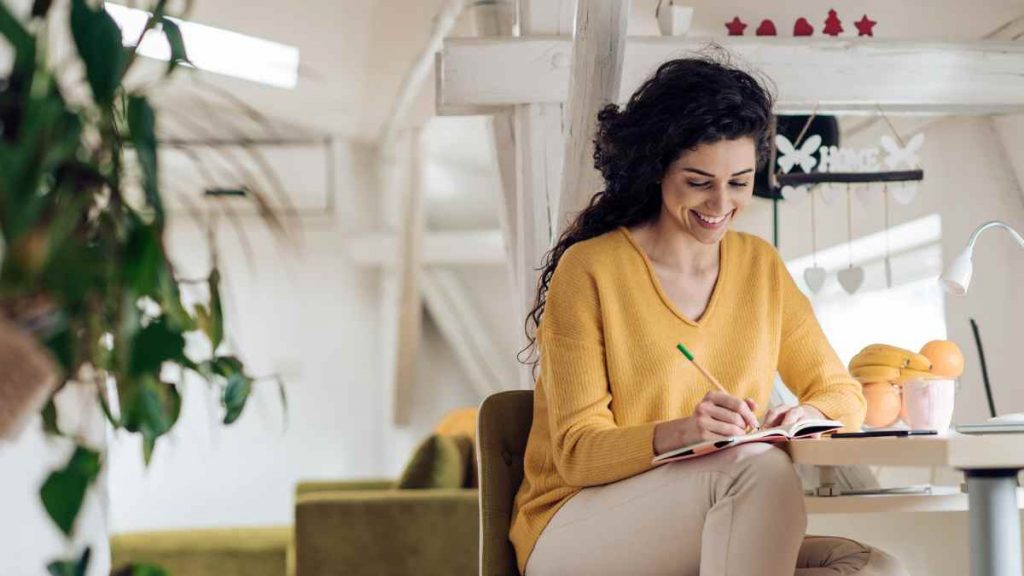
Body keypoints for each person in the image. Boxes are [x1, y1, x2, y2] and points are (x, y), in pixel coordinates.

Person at [509, 55, 909, 576]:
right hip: (574, 525)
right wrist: (684, 431)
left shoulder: (759, 267)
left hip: (713, 509)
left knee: (873, 569)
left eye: (739, 182)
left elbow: (844, 395)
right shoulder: (591, 270)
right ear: (657, 171)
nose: (721, 203)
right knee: (759, 472)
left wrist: (809, 418)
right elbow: (579, 453)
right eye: (699, 182)